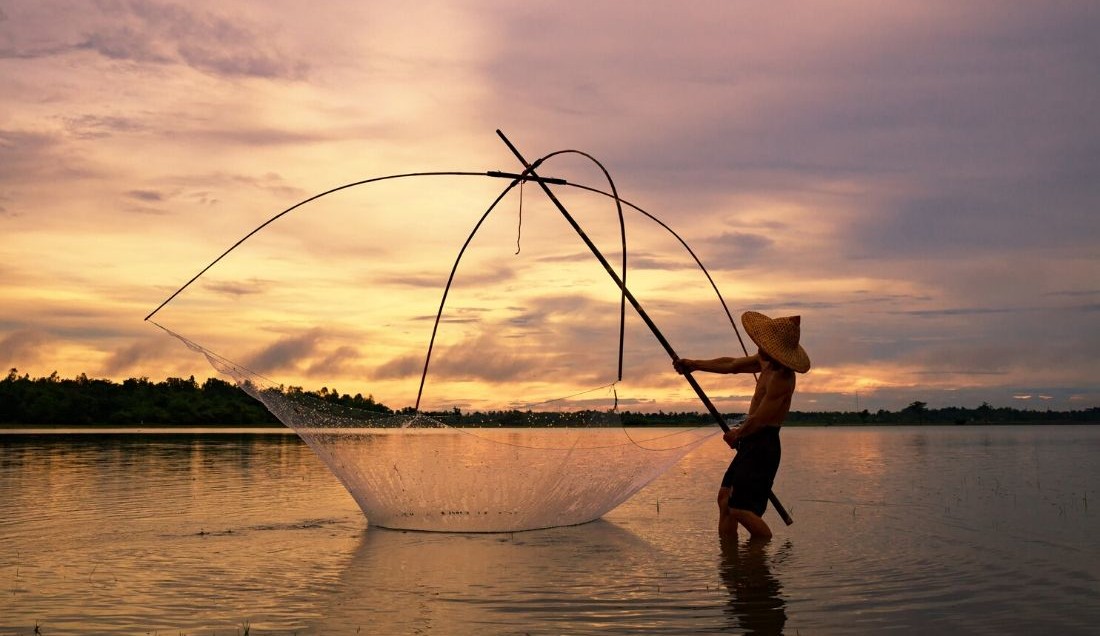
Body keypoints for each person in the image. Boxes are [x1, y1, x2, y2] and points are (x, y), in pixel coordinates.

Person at [674, 311, 811, 541]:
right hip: (751, 440)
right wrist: (694, 365)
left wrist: (738, 433)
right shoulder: (764, 361)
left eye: (764, 343)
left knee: (740, 509)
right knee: (724, 499)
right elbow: (732, 364)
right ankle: (731, 559)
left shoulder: (782, 378)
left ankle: (765, 555)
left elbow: (761, 419)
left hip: (764, 444)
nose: (759, 345)